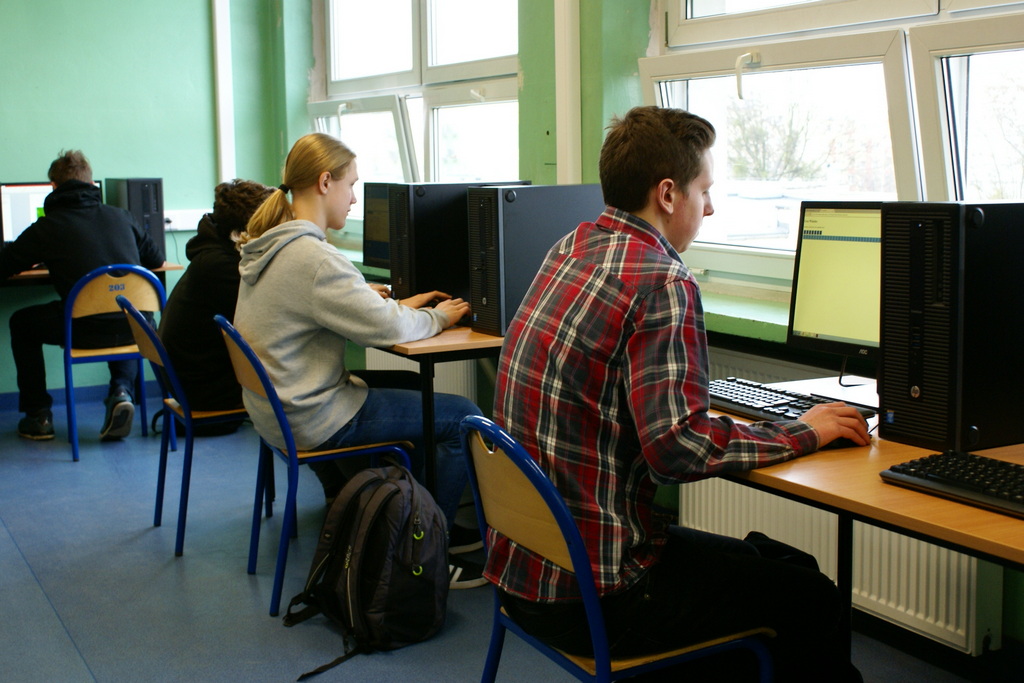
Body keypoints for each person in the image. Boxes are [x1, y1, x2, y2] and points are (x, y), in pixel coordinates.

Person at [488, 107, 870, 681]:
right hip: (598, 598)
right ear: (668, 194)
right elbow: (676, 449)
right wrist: (803, 431)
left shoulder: (572, 247)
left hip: (528, 574)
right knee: (811, 596)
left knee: (782, 562)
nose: (709, 208)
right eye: (704, 191)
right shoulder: (663, 281)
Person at [234, 132, 485, 588]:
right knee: (461, 416)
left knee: (420, 394)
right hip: (313, 415)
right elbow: (388, 329)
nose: (354, 199)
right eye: (351, 185)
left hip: (275, 411)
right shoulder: (315, 258)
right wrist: (439, 316)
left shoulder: (271, 245)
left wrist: (383, 303)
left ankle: (393, 518)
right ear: (324, 182)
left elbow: (332, 307)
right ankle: (427, 550)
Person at [0, 150, 165, 441]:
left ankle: (38, 416)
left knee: (21, 323)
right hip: (138, 327)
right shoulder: (121, 216)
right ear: (91, 184)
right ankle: (121, 391)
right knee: (121, 312)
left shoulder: (49, 227)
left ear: (53, 187)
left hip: (83, 330)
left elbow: (5, 264)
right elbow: (156, 259)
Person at [157, 179, 274, 436]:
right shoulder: (223, 267)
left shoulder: (212, 254)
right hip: (204, 391)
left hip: (189, 380)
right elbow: (271, 313)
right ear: (250, 229)